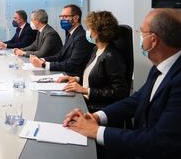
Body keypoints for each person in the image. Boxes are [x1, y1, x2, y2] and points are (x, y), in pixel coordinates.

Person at [63, 9, 181, 159]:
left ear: (153, 40)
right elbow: (136, 99)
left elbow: (159, 141)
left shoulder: (177, 80)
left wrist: (96, 131)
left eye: (141, 32)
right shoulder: (159, 67)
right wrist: (96, 117)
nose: (139, 37)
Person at [57, 11, 129, 112]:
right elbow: (94, 77)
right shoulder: (96, 49)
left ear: (98, 31)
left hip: (96, 107)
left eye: (89, 28)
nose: (87, 31)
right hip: (86, 99)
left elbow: (120, 92)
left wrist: (86, 90)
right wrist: (76, 79)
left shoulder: (112, 56)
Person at [30, 4, 94, 77]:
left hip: (73, 78)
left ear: (76, 18)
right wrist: (42, 59)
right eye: (61, 17)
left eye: (65, 17)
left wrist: (44, 64)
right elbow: (60, 55)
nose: (62, 19)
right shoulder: (69, 34)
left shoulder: (82, 37)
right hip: (65, 73)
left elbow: (72, 64)